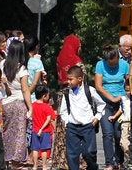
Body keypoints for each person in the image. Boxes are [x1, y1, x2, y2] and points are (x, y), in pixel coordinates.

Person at [60, 65, 106, 170]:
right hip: (72, 127)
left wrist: (97, 117)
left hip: (87, 126)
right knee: (72, 154)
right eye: (67, 79)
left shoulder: (89, 90)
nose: (68, 82)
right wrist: (67, 122)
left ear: (79, 79)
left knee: (90, 152)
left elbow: (101, 104)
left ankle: (93, 167)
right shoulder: (67, 93)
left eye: (71, 79)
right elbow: (63, 111)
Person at [53, 34, 85, 169]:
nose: (80, 48)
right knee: (77, 125)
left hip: (62, 95)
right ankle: (78, 161)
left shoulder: (59, 59)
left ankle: (62, 161)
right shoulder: (77, 60)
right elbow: (84, 80)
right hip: (75, 97)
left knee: (63, 127)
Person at [95, 44, 130, 170]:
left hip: (121, 105)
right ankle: (109, 163)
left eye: (115, 64)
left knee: (118, 134)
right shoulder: (100, 65)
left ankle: (119, 161)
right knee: (107, 134)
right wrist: (112, 98)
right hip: (105, 104)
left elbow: (128, 82)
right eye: (110, 64)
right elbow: (98, 86)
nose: (113, 66)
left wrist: (125, 97)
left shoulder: (125, 65)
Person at [2, 40, 33, 168]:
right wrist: (30, 107)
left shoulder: (3, 63)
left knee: (6, 133)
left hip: (6, 103)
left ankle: (4, 160)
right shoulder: (22, 68)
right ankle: (15, 163)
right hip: (19, 103)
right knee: (19, 135)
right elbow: (25, 89)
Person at [31, 85, 56, 170]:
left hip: (35, 130)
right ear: (44, 96)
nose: (49, 98)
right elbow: (50, 119)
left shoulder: (32, 105)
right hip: (45, 131)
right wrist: (55, 129)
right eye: (48, 95)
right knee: (44, 149)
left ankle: (35, 165)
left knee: (35, 149)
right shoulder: (47, 107)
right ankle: (44, 166)